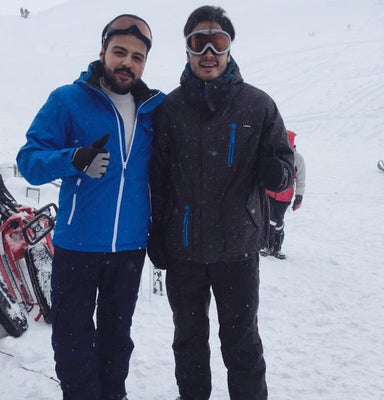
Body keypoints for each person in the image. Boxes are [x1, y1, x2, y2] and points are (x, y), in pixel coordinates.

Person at [147, 6, 294, 400]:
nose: (209, 53)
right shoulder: (170, 109)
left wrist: (277, 174)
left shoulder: (258, 105)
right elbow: (157, 180)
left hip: (237, 249)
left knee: (242, 342)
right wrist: (155, 233)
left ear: (229, 48)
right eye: (199, 43)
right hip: (184, 251)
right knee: (189, 342)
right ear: (188, 51)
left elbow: (285, 164)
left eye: (218, 42)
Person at [16, 14, 165, 400]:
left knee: (118, 339)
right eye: (120, 52)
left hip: (130, 247)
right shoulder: (68, 100)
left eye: (137, 57)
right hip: (77, 245)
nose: (127, 62)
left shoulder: (154, 109)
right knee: (72, 339)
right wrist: (73, 158)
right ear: (102, 52)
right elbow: (29, 160)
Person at [261, 130, 306, 259]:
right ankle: (267, 246)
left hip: (285, 197)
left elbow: (301, 179)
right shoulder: (274, 153)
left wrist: (299, 197)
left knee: (278, 221)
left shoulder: (298, 159)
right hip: (270, 193)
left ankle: (276, 247)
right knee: (269, 219)